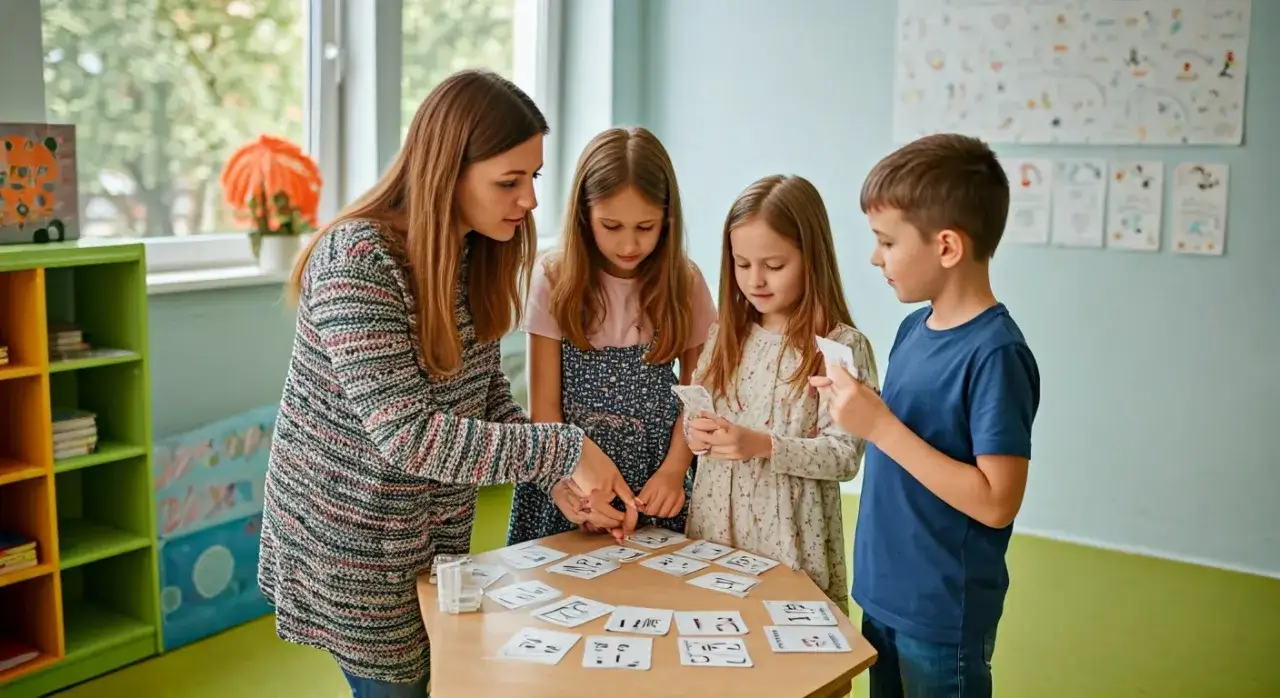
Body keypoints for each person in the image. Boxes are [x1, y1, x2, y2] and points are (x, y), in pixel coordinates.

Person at [256, 69, 638, 698]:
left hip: (428, 536)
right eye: (508, 182)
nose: (529, 200)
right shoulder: (358, 260)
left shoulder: (471, 254)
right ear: (446, 171)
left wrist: (555, 479)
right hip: (351, 545)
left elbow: (486, 400)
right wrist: (568, 450)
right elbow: (409, 436)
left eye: (534, 177)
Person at [811, 133, 1041, 698]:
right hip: (885, 593)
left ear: (947, 247)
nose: (875, 257)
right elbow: (916, 436)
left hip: (941, 613)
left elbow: (997, 501)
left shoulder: (996, 354)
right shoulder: (913, 328)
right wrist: (860, 405)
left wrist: (880, 426)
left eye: (887, 242)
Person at [506, 126, 716, 545]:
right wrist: (574, 487)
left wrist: (674, 471)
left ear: (667, 220)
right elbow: (545, 410)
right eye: (612, 226)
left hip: (657, 482)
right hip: (572, 483)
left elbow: (700, 399)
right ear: (584, 216)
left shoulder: (685, 282)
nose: (629, 244)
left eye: (645, 226)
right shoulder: (553, 278)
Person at [683, 174, 878, 610]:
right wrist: (695, 433)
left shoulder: (840, 347)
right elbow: (695, 417)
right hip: (716, 535)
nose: (756, 280)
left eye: (773, 266)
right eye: (742, 264)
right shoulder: (724, 335)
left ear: (812, 258)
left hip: (791, 544)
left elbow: (844, 456)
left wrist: (762, 445)